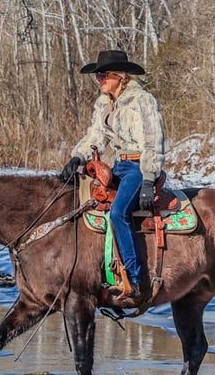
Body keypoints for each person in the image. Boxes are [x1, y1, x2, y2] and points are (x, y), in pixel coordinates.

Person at [60, 49, 165, 300]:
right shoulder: (104, 104)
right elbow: (95, 136)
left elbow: (153, 140)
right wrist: (78, 156)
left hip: (139, 166)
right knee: (88, 206)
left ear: (120, 76)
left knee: (119, 212)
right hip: (117, 166)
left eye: (103, 75)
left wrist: (149, 179)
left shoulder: (142, 101)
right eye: (97, 75)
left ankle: (135, 278)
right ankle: (100, 270)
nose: (99, 79)